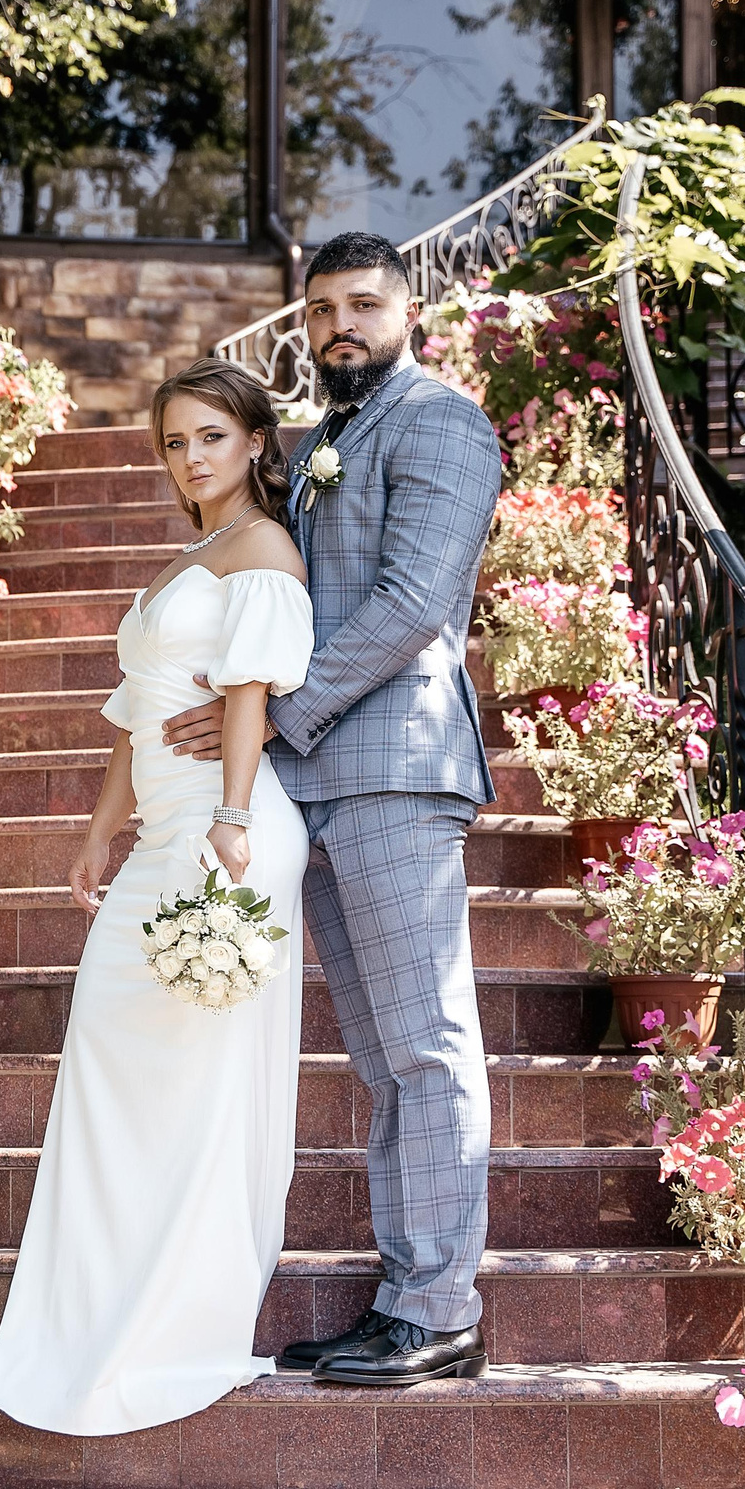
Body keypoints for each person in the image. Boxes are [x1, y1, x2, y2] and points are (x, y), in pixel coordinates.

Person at [161, 231, 501, 1387]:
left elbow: (413, 603)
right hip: (314, 779)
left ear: (410, 310)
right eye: (319, 311)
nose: (337, 326)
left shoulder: (441, 421)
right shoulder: (320, 441)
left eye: (361, 304)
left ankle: (440, 1305)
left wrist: (277, 713)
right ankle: (402, 1298)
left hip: (398, 769)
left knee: (426, 1045)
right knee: (378, 1056)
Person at [0, 357, 314, 1436]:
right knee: (111, 1069)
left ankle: (175, 1321)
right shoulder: (192, 556)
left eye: (211, 436)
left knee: (196, 1084)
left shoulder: (261, 549)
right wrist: (95, 833)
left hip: (222, 834)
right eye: (174, 441)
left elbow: (246, 696)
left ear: (255, 442)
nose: (191, 457)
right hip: (159, 833)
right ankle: (92, 1311)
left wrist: (231, 819)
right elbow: (135, 715)